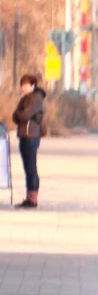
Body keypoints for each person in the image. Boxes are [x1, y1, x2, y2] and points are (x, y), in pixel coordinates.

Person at [12, 73, 45, 208]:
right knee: (27, 167)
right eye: (22, 85)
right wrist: (20, 115)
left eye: (25, 85)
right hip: (23, 135)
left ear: (32, 85)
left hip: (31, 136)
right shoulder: (25, 98)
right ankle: (28, 196)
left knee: (31, 167)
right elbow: (15, 116)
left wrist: (20, 114)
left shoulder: (36, 99)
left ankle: (33, 198)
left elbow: (25, 114)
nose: (23, 88)